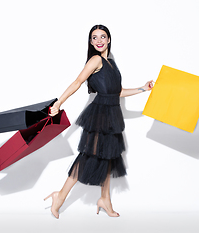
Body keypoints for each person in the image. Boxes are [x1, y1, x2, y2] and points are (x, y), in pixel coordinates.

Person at [44, 24, 153, 219]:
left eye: (103, 36)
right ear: (91, 42)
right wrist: (59, 102)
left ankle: (105, 199)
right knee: (88, 158)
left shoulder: (111, 63)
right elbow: (78, 82)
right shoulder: (95, 60)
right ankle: (59, 197)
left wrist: (143, 89)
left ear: (109, 39)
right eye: (95, 37)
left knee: (109, 158)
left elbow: (117, 92)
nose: (99, 40)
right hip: (100, 115)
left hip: (112, 114)